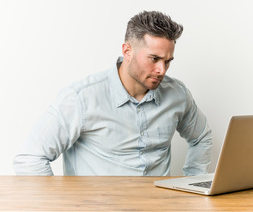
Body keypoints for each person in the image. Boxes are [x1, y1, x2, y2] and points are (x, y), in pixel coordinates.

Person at [13, 11, 213, 176]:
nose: (162, 69)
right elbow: (30, 159)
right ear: (127, 51)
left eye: (168, 61)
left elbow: (201, 137)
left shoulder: (177, 94)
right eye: (154, 58)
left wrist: (193, 184)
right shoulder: (81, 98)